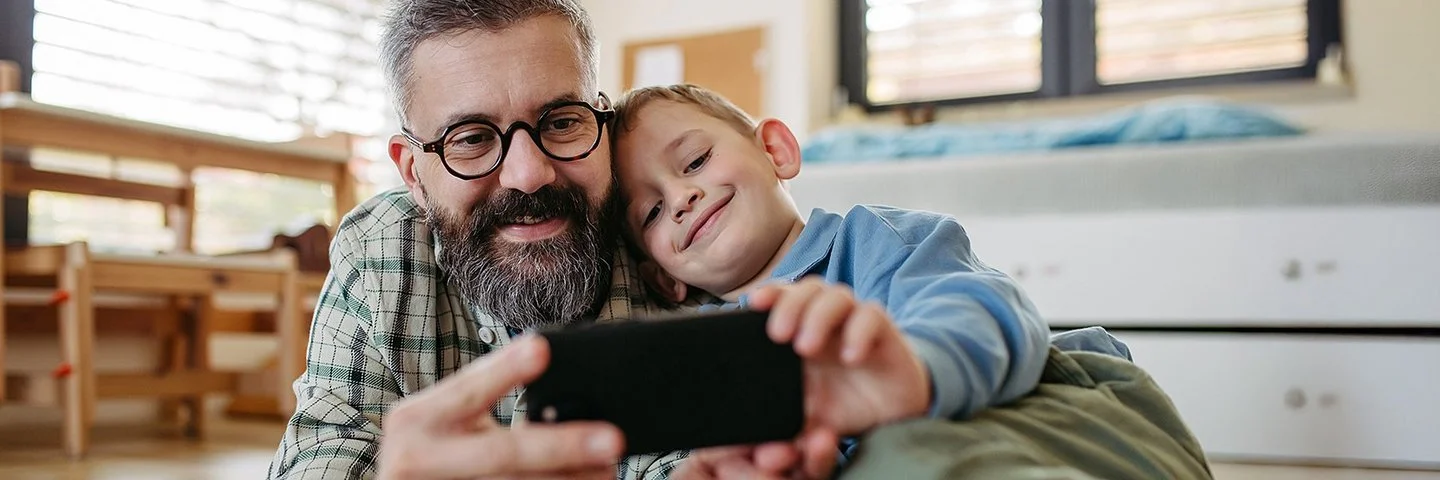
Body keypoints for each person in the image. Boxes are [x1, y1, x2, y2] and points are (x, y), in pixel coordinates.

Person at [269, 1, 1211, 479]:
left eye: (559, 121)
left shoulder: (640, 251)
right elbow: (319, 456)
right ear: (411, 163)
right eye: (472, 138)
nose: (527, 175)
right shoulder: (383, 251)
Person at [607, 83, 1049, 468]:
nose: (681, 198)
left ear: (775, 151)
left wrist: (918, 369)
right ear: (663, 278)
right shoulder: (697, 352)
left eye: (696, 160)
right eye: (653, 212)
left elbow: (986, 310)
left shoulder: (873, 238)